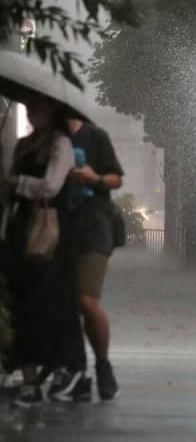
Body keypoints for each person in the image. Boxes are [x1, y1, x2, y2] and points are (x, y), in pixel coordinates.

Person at [0, 94, 87, 407]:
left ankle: (65, 370)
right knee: (19, 303)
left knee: (46, 303)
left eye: (40, 106)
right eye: (30, 105)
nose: (33, 111)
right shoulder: (24, 145)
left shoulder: (60, 144)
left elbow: (51, 186)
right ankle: (29, 380)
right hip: (18, 231)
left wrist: (17, 181)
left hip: (48, 233)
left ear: (54, 110)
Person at [66, 117, 123, 401]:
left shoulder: (95, 137)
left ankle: (102, 365)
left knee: (86, 299)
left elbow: (116, 178)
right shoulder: (48, 140)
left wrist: (94, 179)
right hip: (58, 231)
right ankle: (74, 371)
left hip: (94, 229)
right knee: (63, 303)